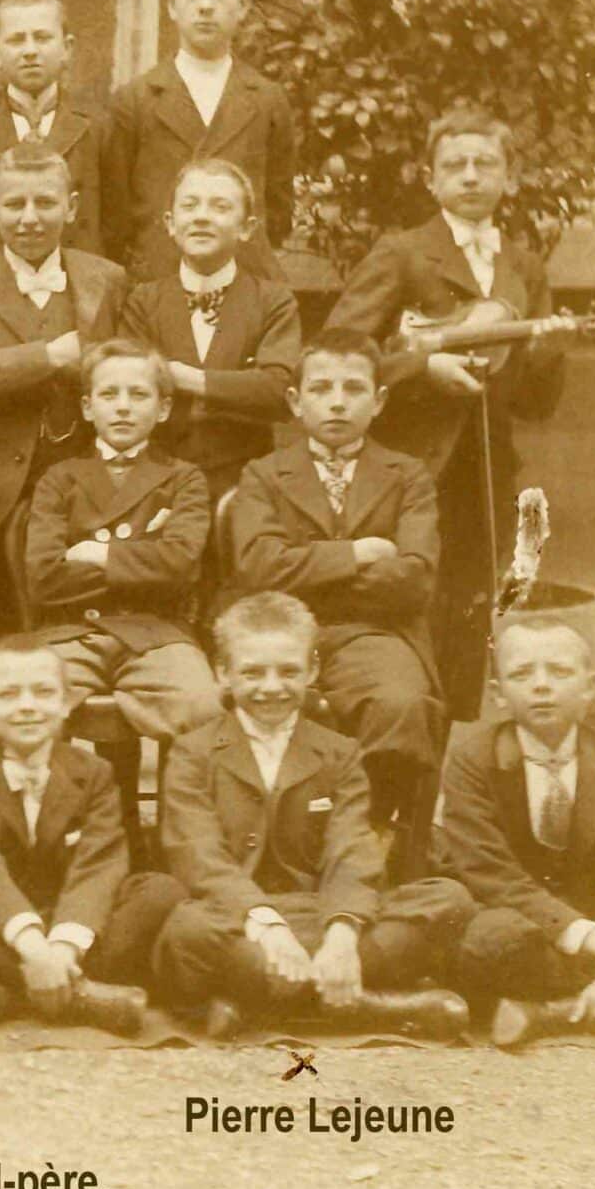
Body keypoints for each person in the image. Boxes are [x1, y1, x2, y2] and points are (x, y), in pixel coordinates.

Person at [326, 111, 569, 722]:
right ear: (431, 180)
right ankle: (400, 750)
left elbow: (536, 402)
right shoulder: (402, 252)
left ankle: (452, 758)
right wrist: (422, 367)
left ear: (509, 178)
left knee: (472, 613)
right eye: (454, 165)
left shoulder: (524, 266)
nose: (471, 176)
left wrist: (547, 350)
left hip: (486, 473)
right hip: (410, 468)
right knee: (409, 608)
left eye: (485, 164)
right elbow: (337, 352)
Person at [151, 592, 473, 1040]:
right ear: (222, 673)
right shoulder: (193, 752)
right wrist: (268, 927)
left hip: (316, 913)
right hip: (237, 919)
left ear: (312, 671)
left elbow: (351, 848)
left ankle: (261, 999)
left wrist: (342, 936)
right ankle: (367, 1006)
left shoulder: (338, 752)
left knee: (449, 900)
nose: (271, 687)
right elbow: (200, 856)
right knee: (186, 931)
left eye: (288, 671)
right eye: (253, 672)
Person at [225, 328, 444, 881]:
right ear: (295, 401)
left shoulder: (408, 475)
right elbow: (257, 567)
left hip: (374, 634)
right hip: (280, 634)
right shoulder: (263, 474)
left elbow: (414, 578)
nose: (338, 402)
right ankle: (287, 844)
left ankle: (367, 837)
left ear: (379, 400)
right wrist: (358, 553)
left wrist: (306, 570)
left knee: (399, 702)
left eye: (353, 388)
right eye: (321, 388)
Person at [0, 638, 187, 1033]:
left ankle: (12, 994)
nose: (27, 706)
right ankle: (84, 997)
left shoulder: (93, 772)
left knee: (160, 890)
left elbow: (99, 864)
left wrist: (61, 948)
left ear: (66, 703)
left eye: (43, 692)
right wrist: (34, 948)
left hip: (70, 919)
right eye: (8, 695)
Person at [442, 619, 595, 1042]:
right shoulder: (473, 759)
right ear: (498, 694)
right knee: (488, 941)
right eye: (522, 674)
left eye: (559, 672)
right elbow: (493, 875)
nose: (541, 685)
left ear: (589, 686)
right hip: (522, 917)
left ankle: (549, 1012)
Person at [0, 142, 128, 599]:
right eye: (15, 204)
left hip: (86, 495)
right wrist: (50, 356)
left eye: (45, 203)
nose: (30, 218)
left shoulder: (106, 280)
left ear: (71, 207)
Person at [21, 340, 221, 781]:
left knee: (203, 706)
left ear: (163, 408)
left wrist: (98, 554)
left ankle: (181, 820)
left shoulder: (183, 478)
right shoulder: (59, 479)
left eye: (139, 394)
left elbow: (180, 566)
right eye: (109, 394)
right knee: (22, 705)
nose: (124, 407)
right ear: (88, 408)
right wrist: (143, 564)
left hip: (157, 636)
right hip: (71, 634)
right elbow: (44, 577)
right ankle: (55, 817)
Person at [100, 0, 294, 280]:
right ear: (172, 6)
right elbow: (116, 215)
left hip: (246, 282)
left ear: (243, 5)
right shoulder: (136, 100)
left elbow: (278, 210)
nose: (205, 5)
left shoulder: (267, 99)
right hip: (160, 283)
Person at [120, 159, 302, 501]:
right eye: (190, 206)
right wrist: (239, 388)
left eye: (220, 207)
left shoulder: (273, 301)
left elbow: (279, 390)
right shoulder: (143, 301)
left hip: (246, 485)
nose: (201, 217)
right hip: (157, 484)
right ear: (170, 223)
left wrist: (185, 378)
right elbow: (130, 384)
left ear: (247, 228)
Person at [0, 0, 105, 262]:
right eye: (16, 40)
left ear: (67, 48)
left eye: (42, 38)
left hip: (73, 272)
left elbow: (116, 221)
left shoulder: (97, 126)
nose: (30, 51)